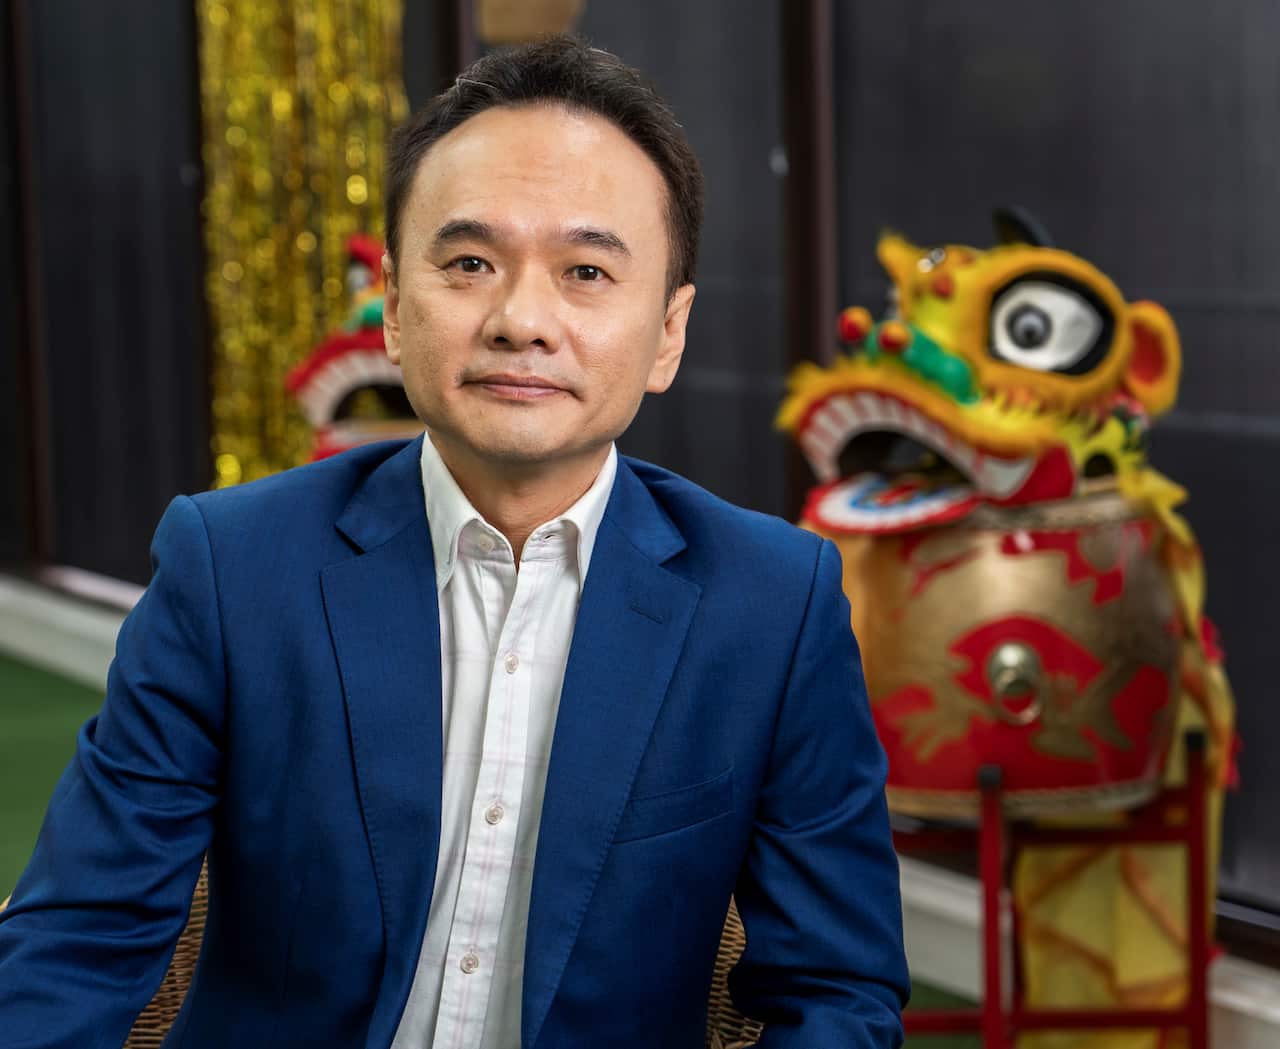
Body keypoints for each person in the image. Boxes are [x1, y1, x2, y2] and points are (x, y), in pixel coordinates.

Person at [0, 36, 908, 1048]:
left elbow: (836, 988)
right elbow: (79, 937)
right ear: (393, 306)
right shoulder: (231, 565)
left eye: (585, 270)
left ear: (667, 332)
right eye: (470, 262)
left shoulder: (770, 605)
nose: (522, 318)